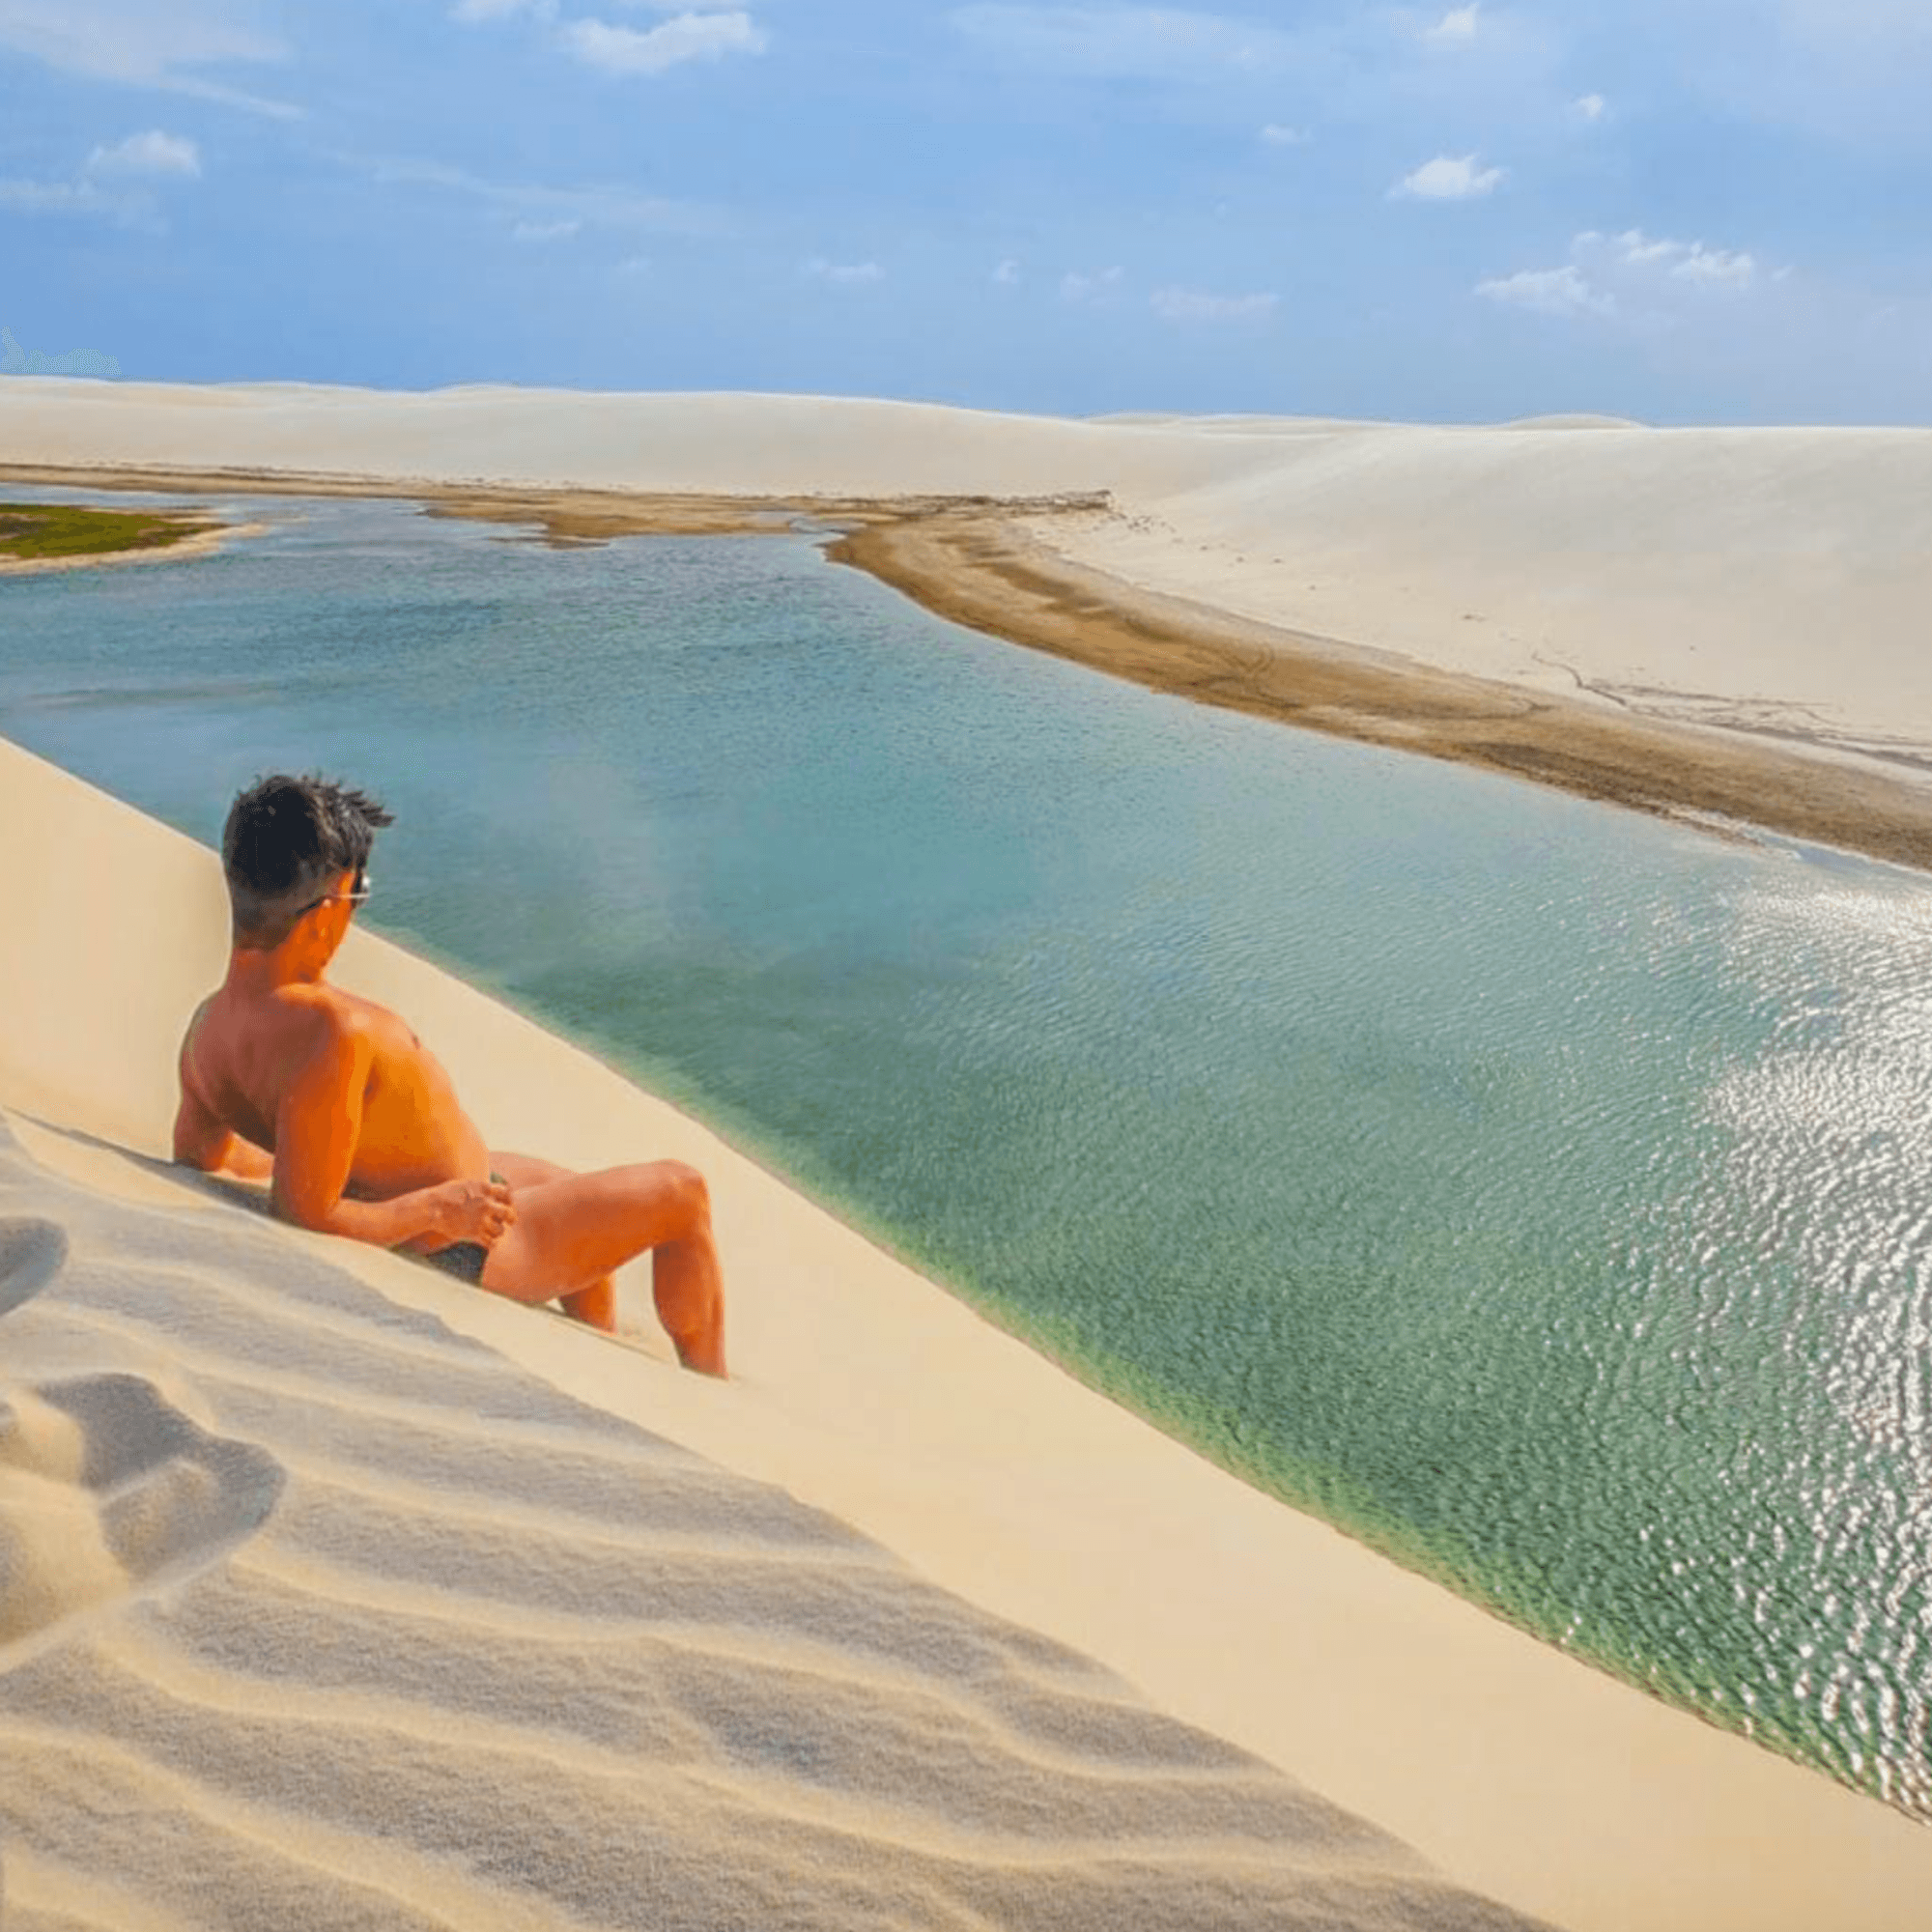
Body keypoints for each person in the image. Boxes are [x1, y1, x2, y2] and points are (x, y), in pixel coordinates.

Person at [171, 773, 725, 1376]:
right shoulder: (333, 1033)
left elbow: (204, 1161)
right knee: (682, 1194)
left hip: (442, 1194)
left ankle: (589, 1364)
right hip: (468, 1242)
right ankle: (710, 1388)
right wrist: (438, 1210)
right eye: (359, 895)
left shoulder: (207, 1030)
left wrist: (302, 1164)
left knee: (571, 1195)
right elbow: (304, 1214)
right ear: (329, 905)